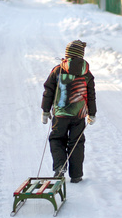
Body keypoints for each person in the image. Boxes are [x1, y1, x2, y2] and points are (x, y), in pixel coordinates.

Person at [41, 40, 97, 183]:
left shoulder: (57, 70)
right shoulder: (87, 73)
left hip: (60, 115)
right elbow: (91, 94)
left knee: (57, 139)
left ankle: (60, 167)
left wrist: (45, 110)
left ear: (67, 55)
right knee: (76, 143)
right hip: (79, 115)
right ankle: (76, 175)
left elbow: (49, 91)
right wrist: (92, 113)